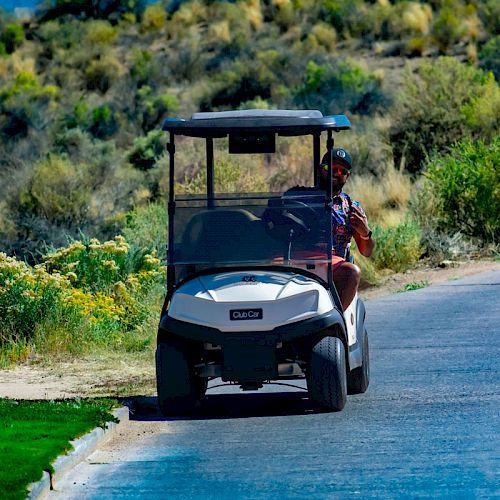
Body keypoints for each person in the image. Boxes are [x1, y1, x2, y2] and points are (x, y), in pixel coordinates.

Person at [318, 147, 375, 311]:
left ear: (347, 175)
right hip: (298, 260)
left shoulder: (351, 207)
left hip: (332, 263)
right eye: (330, 168)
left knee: (352, 272)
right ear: (321, 169)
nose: (335, 173)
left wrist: (365, 233)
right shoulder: (301, 198)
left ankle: (335, 320)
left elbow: (367, 251)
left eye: (341, 170)